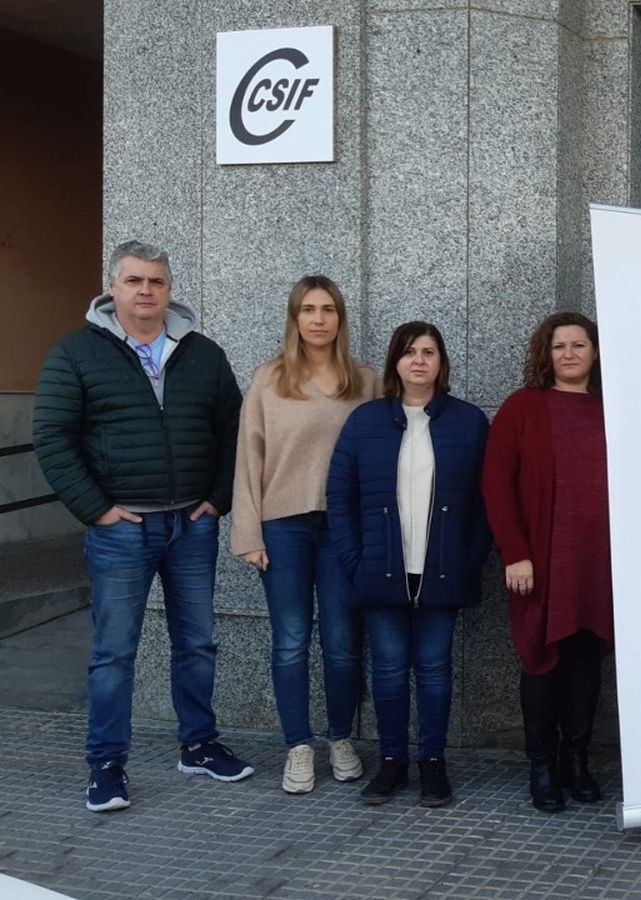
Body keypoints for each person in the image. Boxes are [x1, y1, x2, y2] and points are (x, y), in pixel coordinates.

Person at [33, 240, 253, 812]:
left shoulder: (203, 353)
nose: (146, 291)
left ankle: (199, 745)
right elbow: (52, 438)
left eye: (156, 281)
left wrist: (217, 498)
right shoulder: (76, 353)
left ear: (170, 289)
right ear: (112, 288)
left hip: (192, 524)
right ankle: (106, 765)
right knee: (114, 652)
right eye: (134, 281)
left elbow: (234, 429)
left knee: (198, 643)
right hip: (120, 529)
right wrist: (98, 510)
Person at [326, 321, 490, 808]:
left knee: (435, 669)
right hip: (381, 571)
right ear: (395, 361)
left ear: (442, 364)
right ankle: (392, 762)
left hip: (441, 570)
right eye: (409, 351)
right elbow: (340, 495)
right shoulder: (365, 421)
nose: (419, 360)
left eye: (429, 352)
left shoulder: (468, 421)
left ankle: (433, 764)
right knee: (390, 670)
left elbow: (486, 502)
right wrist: (355, 563)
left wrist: (469, 559)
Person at [232, 276, 377, 794]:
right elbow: (249, 459)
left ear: (341, 319)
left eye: (328, 310)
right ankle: (298, 745)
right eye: (308, 310)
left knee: (341, 641)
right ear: (294, 319)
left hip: (343, 528)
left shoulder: (365, 381)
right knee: (291, 640)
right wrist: (249, 532)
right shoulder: (270, 380)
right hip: (284, 526)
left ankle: (340, 737)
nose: (318, 319)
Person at [482, 311, 613, 813]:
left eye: (579, 345)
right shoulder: (523, 407)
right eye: (559, 346)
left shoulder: (613, 408)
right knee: (541, 660)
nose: (570, 354)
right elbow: (497, 485)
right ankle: (542, 767)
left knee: (584, 660)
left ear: (595, 353)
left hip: (597, 563)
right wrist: (515, 553)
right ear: (546, 354)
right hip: (540, 561)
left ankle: (576, 762)